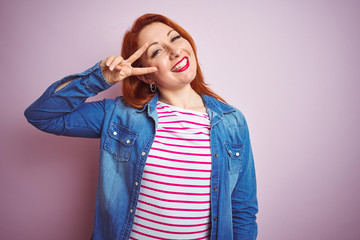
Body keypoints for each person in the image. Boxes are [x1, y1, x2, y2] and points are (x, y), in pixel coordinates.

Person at [25, 13, 258, 240]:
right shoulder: (121, 115)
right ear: (146, 76)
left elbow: (243, 211)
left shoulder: (232, 122)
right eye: (157, 51)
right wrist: (98, 78)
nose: (175, 51)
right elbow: (43, 115)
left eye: (175, 38)